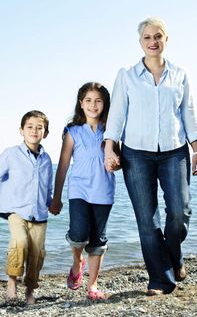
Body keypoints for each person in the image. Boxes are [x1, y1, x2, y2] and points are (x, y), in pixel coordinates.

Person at [103, 17, 197, 296]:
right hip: (136, 154)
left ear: (166, 40)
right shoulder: (126, 75)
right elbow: (117, 115)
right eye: (147, 37)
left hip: (175, 151)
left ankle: (175, 257)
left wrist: (196, 149)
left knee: (179, 214)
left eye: (158, 36)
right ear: (140, 42)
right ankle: (160, 279)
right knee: (147, 221)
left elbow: (188, 113)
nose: (153, 42)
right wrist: (109, 147)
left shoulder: (180, 74)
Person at [0, 110, 53, 305]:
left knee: (37, 254)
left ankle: (30, 290)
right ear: (21, 131)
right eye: (30, 127)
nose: (34, 131)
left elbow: (47, 187)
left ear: (45, 133)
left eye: (39, 128)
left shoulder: (47, 160)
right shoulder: (12, 154)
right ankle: (12, 283)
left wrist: (51, 202)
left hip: (40, 214)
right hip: (16, 212)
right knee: (19, 243)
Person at [49, 83, 116, 300]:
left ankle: (92, 286)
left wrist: (116, 163)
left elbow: (119, 159)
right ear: (81, 103)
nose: (93, 105)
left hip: (104, 191)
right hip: (79, 191)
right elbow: (63, 165)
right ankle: (77, 261)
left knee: (98, 239)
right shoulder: (72, 131)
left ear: (104, 104)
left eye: (98, 100)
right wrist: (56, 197)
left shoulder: (112, 130)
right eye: (88, 100)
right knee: (78, 234)